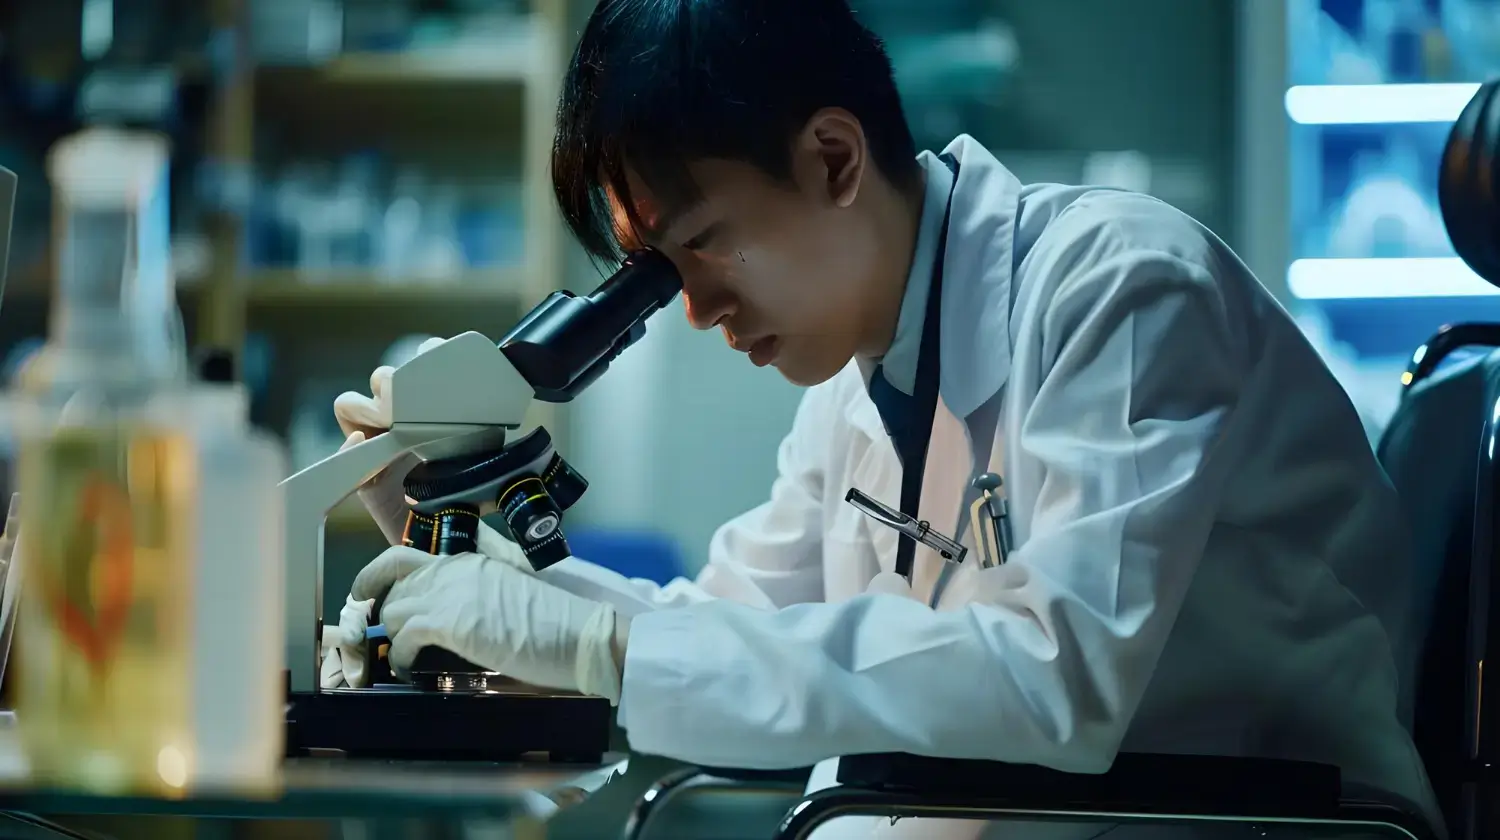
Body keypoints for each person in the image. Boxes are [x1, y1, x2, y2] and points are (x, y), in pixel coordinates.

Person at [326, 0, 1442, 836]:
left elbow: (1060, 675)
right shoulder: (857, 383)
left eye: (703, 245)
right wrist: (485, 575)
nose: (699, 309)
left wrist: (596, 643)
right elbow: (720, 628)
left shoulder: (1124, 290)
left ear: (832, 158)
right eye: (658, 277)